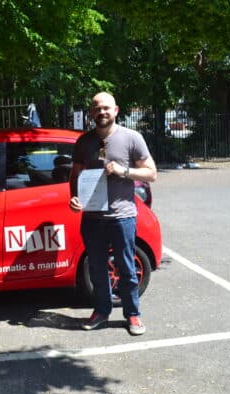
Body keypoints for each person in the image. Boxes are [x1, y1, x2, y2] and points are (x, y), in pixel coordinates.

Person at [69, 92, 157, 336]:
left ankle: (133, 315)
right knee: (97, 268)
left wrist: (124, 170)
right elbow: (75, 175)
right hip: (92, 218)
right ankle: (101, 311)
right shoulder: (84, 142)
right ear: (91, 113)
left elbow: (151, 173)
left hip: (122, 217)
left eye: (106, 108)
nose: (102, 112)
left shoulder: (131, 138)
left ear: (116, 110)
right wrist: (74, 198)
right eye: (97, 108)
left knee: (127, 269)